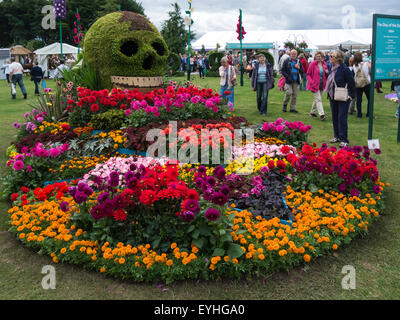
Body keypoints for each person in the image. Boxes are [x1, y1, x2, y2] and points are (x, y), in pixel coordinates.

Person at [325, 50, 356, 148]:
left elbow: (352, 83)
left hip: (343, 97)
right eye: (330, 56)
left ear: (337, 58)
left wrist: (351, 95)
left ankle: (344, 139)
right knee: (334, 117)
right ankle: (337, 136)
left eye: (331, 56)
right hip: (332, 96)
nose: (329, 57)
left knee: (341, 118)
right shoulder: (332, 68)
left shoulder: (345, 69)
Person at [307, 51, 328, 121]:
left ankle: (312, 112)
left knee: (317, 99)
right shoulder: (312, 64)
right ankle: (322, 114)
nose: (319, 58)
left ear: (322, 57)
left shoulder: (324, 64)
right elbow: (308, 74)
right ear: (315, 57)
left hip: (322, 84)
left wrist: (327, 72)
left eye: (320, 56)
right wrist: (311, 82)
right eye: (317, 56)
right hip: (314, 84)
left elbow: (326, 74)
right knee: (318, 99)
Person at [353, 52, 371, 118]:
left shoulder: (354, 66)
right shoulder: (366, 64)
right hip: (366, 83)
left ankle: (359, 114)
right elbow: (370, 72)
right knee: (370, 99)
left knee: (359, 100)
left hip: (358, 84)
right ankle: (369, 113)